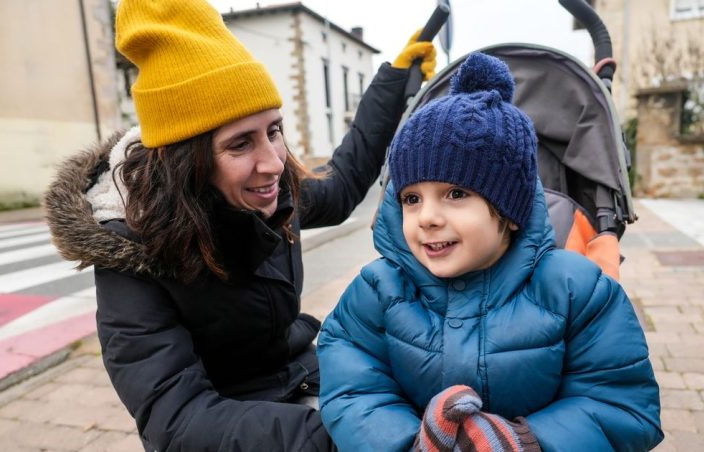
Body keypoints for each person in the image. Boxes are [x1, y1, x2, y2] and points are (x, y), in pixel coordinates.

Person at [43, 0, 436, 449]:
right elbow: (176, 419)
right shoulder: (131, 253)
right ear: (184, 162)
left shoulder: (269, 194)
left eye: (273, 130)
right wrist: (343, 436)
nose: (274, 163)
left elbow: (342, 187)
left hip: (305, 379)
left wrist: (393, 83)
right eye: (239, 144)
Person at [317, 53, 663, 452]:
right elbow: (352, 389)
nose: (427, 217)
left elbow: (623, 406)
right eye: (411, 198)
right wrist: (408, 443)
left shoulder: (576, 290)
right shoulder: (379, 290)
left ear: (509, 212)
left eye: (455, 194)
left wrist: (527, 442)